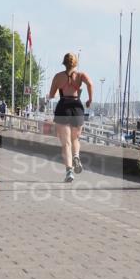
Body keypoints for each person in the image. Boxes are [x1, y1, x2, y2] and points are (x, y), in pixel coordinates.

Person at [47, 52, 94, 182]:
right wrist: (90, 99)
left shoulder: (58, 77)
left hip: (63, 107)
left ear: (64, 62)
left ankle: (69, 171)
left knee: (66, 143)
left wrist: (54, 93)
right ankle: (76, 156)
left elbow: (52, 94)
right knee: (75, 139)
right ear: (75, 63)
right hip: (77, 107)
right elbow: (90, 83)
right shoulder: (80, 75)